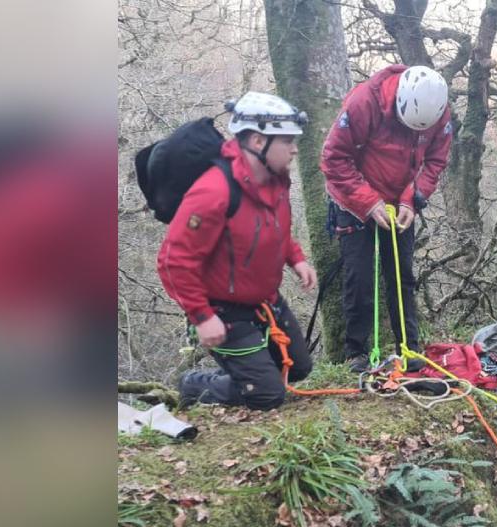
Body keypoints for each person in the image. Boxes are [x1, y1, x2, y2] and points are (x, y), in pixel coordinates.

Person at [158, 91, 318, 410]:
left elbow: (276, 229)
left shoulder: (276, 181)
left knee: (299, 369)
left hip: (264, 302)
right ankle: (195, 385)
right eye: (287, 141)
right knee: (268, 395)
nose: (295, 149)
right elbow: (172, 262)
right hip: (223, 310)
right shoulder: (213, 192)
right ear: (258, 142)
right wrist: (202, 317)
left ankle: (250, 372)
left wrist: (296, 258)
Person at [321, 64, 453, 372]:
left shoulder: (439, 112)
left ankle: (410, 347)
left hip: (399, 202)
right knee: (360, 277)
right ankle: (356, 352)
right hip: (354, 199)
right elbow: (333, 159)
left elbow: (435, 160)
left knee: (402, 275)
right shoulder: (365, 102)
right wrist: (368, 202)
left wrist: (413, 199)